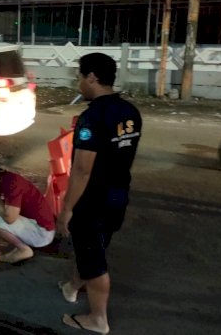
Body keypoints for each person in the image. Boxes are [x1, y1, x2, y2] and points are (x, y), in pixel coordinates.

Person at [56, 52, 142, 334]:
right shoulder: (130, 112)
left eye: (79, 77)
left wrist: (67, 208)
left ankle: (98, 319)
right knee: (93, 247)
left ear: (91, 77)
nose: (78, 82)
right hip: (118, 195)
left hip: (93, 200)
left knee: (94, 261)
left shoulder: (92, 116)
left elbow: (81, 170)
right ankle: (72, 287)